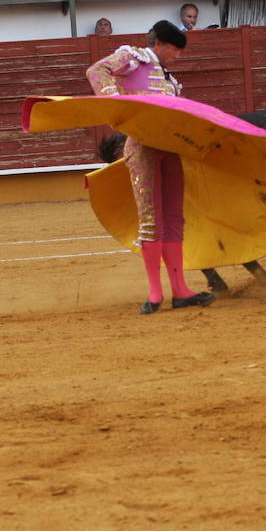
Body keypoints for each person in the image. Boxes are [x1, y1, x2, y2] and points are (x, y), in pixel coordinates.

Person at [85, 20, 216, 314]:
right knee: (150, 219)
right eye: (174, 49)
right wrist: (118, 104)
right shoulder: (134, 58)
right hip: (143, 146)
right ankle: (155, 293)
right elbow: (95, 71)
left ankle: (180, 290)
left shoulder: (169, 80)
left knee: (173, 218)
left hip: (171, 148)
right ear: (158, 44)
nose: (178, 56)